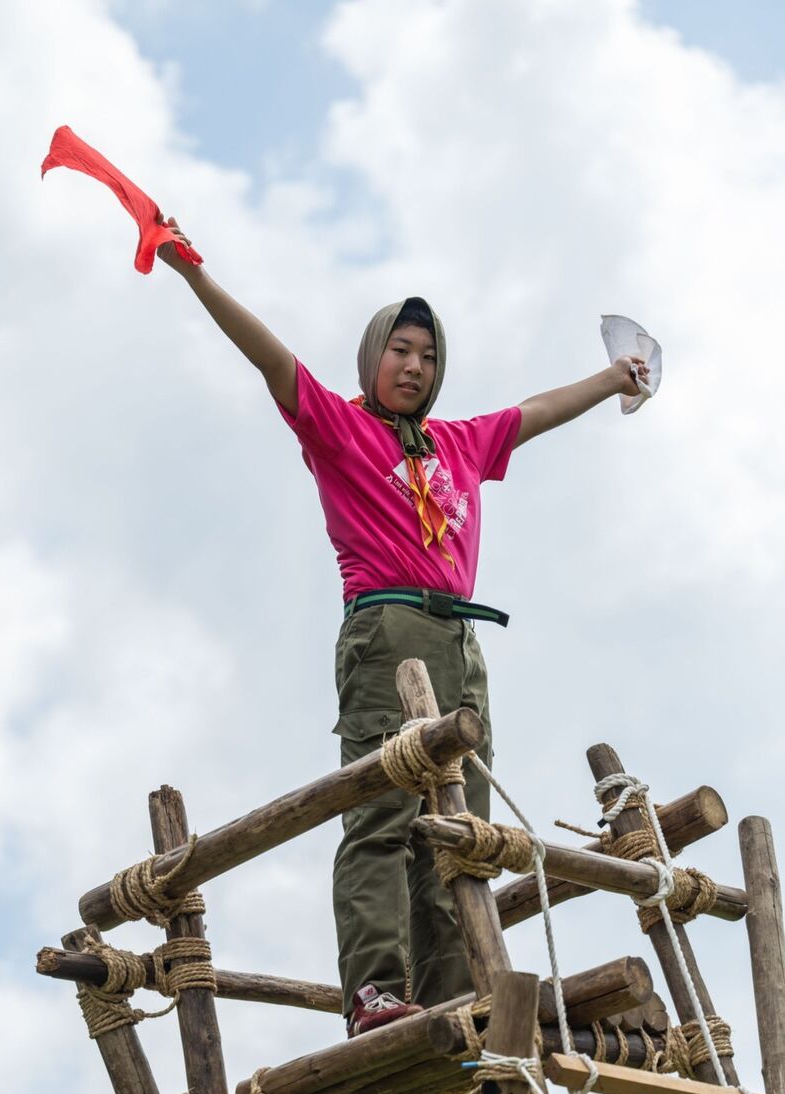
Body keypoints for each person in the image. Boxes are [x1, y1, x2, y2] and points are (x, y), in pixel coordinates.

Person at [156, 220, 650, 1036]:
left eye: (427, 355)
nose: (414, 366)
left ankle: (457, 993)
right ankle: (377, 993)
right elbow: (272, 359)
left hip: (460, 642)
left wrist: (612, 377)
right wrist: (193, 275)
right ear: (372, 358)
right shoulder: (340, 427)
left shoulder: (457, 443)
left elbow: (536, 410)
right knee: (384, 815)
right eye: (400, 350)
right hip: (387, 631)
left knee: (462, 833)